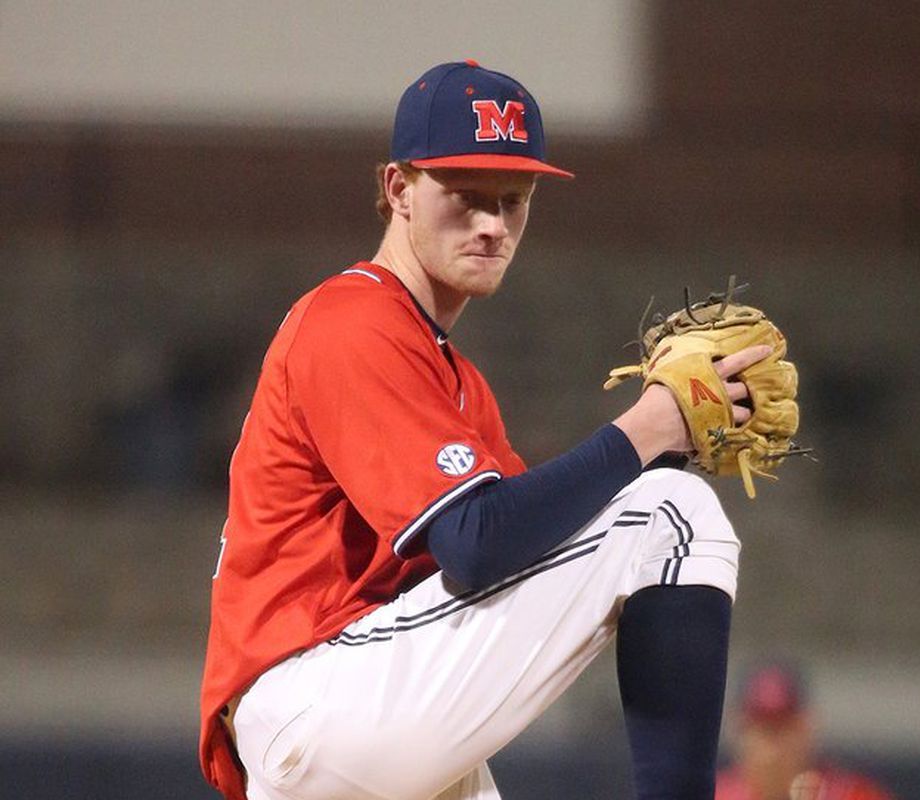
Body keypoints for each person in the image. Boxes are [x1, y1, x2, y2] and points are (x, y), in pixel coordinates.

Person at [199, 59, 773, 800]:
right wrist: (649, 428)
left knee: (657, 501)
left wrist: (674, 441)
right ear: (397, 189)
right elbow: (478, 545)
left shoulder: (456, 379)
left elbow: (534, 538)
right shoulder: (352, 320)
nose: (493, 224)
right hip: (321, 694)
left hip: (356, 720)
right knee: (674, 517)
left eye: (513, 199)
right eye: (466, 196)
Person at [716, 664, 895, 800]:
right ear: (738, 729)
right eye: (763, 730)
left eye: (785, 728)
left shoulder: (853, 794)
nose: (773, 748)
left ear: (808, 726)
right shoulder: (714, 794)